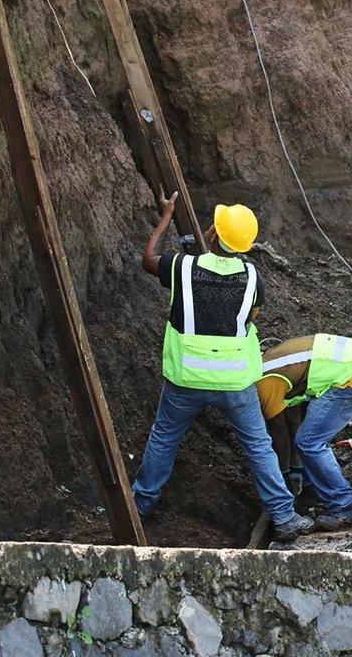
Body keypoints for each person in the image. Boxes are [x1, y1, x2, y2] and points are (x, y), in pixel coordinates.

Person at [134, 190, 313, 540]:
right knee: (259, 446)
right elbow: (251, 315)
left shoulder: (182, 267)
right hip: (234, 381)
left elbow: (148, 258)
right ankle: (285, 517)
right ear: (247, 246)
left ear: (212, 233)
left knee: (164, 439)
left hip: (186, 378)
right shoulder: (252, 278)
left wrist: (166, 217)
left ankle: (140, 505)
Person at [256, 334, 352, 531]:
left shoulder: (264, 383)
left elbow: (278, 429)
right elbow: (293, 418)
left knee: (309, 442)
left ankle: (347, 510)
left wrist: (285, 473)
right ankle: (314, 490)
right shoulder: (267, 362)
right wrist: (296, 469)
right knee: (307, 438)